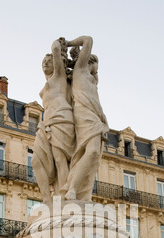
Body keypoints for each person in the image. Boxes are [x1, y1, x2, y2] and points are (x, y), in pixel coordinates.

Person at [60, 36, 109, 201]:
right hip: (83, 115)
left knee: (93, 155)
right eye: (96, 66)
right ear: (89, 62)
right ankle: (72, 188)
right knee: (92, 151)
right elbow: (88, 39)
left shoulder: (92, 82)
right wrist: (68, 44)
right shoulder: (80, 70)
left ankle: (79, 190)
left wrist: (104, 122)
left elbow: (98, 104)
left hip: (95, 117)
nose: (97, 70)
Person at [31, 39, 75, 203]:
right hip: (46, 122)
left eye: (49, 61)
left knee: (60, 159)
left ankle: (63, 198)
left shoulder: (59, 76)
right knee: (36, 161)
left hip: (61, 117)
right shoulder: (49, 81)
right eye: (43, 61)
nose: (45, 63)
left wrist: (65, 44)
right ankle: (46, 200)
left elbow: (56, 47)